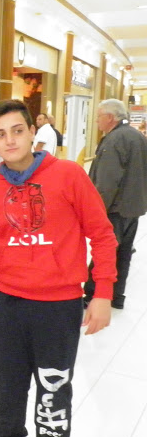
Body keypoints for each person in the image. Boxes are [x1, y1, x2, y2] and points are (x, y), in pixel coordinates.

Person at [0, 99, 117, 437]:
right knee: (8, 389)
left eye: (17, 130)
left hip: (58, 306)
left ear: (33, 132)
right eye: (0, 134)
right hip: (8, 306)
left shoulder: (67, 175)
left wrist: (102, 292)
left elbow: (102, 235)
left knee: (53, 390)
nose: (10, 140)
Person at [84, 99, 147, 310]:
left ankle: (93, 293)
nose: (96, 121)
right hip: (133, 208)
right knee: (124, 253)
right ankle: (117, 295)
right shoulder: (137, 136)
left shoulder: (114, 140)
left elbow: (107, 181)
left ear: (110, 118)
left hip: (115, 208)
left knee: (105, 252)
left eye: (99, 116)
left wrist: (96, 212)